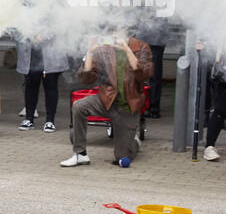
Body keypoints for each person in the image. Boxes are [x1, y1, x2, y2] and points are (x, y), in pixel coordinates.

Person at [60, 32, 153, 167]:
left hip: (128, 107)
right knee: (79, 106)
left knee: (122, 157)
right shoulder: (105, 49)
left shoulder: (141, 47)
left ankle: (133, 142)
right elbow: (86, 78)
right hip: (106, 100)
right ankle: (80, 154)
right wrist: (90, 52)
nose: (114, 33)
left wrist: (127, 50)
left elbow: (144, 74)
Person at [16, 31, 71, 132]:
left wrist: (45, 35)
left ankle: (50, 121)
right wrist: (32, 35)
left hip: (51, 53)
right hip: (31, 52)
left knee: (51, 87)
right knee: (30, 87)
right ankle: (29, 119)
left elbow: (61, 26)